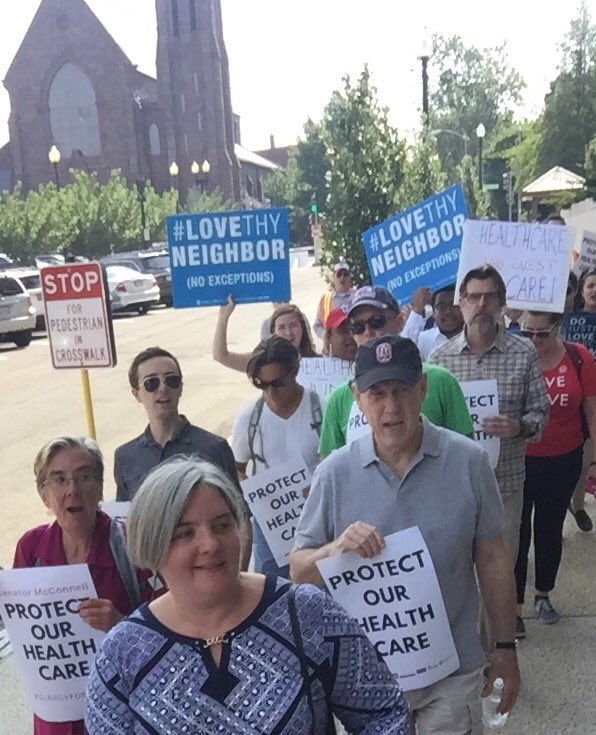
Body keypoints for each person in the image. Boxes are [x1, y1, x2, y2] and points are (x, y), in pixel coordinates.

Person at [291, 336, 520, 734]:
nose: (391, 408)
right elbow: (298, 571)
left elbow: (493, 558)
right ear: (357, 398)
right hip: (368, 682)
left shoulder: (469, 461)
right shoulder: (333, 474)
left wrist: (504, 648)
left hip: (452, 674)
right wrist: (334, 549)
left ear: (423, 389)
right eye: (377, 394)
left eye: (401, 390)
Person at [85, 456, 410, 735]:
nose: (210, 544)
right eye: (185, 533)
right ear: (151, 544)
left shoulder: (306, 613)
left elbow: (384, 714)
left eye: (222, 525)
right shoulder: (122, 655)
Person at [14, 436, 155, 735]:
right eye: (59, 479)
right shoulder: (31, 549)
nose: (72, 490)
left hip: (119, 713)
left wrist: (120, 624)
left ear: (100, 487)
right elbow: (21, 629)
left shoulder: (131, 545)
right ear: (44, 495)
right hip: (56, 717)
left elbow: (169, 636)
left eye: (84, 476)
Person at [429, 265, 550, 563]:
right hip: (456, 486)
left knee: (502, 567)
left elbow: (540, 411)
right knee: (457, 568)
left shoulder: (524, 352)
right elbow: (429, 423)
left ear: (501, 303)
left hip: (505, 484)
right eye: (474, 297)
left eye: (490, 297)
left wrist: (518, 426)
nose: (481, 304)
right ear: (461, 303)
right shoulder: (439, 359)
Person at [113, 347, 252, 568]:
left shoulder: (213, 448)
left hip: (205, 570)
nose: (163, 388)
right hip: (151, 580)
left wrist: (237, 576)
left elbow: (240, 519)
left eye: (172, 380)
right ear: (136, 393)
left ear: (181, 388)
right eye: (151, 383)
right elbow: (125, 528)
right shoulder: (125, 457)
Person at [514, 311, 596, 638]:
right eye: (527, 333)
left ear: (557, 328)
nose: (534, 340)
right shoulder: (514, 357)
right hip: (518, 461)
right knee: (517, 533)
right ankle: (514, 606)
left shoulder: (578, 356)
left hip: (563, 459)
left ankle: (543, 594)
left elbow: (591, 407)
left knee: (549, 529)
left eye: (542, 334)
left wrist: (594, 458)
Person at [318, 285, 473, 456]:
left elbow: (466, 455)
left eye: (376, 321)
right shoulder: (338, 399)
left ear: (399, 322)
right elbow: (330, 464)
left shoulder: (441, 380)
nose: (368, 332)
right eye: (358, 326)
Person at [231, 336, 322, 577]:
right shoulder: (248, 419)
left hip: (317, 520)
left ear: (295, 371)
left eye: (278, 383)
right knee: (271, 590)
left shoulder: (320, 408)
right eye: (262, 385)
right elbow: (237, 467)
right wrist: (253, 496)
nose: (270, 392)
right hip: (271, 526)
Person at [565, 269, 596, 532]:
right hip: (566, 394)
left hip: (592, 395)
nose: (595, 291)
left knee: (585, 456)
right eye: (591, 285)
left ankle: (578, 504)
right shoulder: (558, 321)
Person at [213, 297, 317, 373]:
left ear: (302, 328)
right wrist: (223, 316)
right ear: (273, 332)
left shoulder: (320, 364)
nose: (288, 332)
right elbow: (221, 356)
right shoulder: (263, 362)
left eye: (293, 325)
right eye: (281, 327)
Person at [416, 285, 463, 359]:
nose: (448, 311)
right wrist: (416, 309)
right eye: (441, 307)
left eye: (454, 305)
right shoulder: (423, 340)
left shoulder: (476, 338)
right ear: (433, 314)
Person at [312, 261, 355, 338]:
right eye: (339, 274)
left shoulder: (357, 296)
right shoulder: (326, 299)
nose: (342, 277)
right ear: (333, 277)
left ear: (349, 278)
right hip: (333, 342)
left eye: (345, 274)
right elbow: (317, 325)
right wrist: (326, 336)